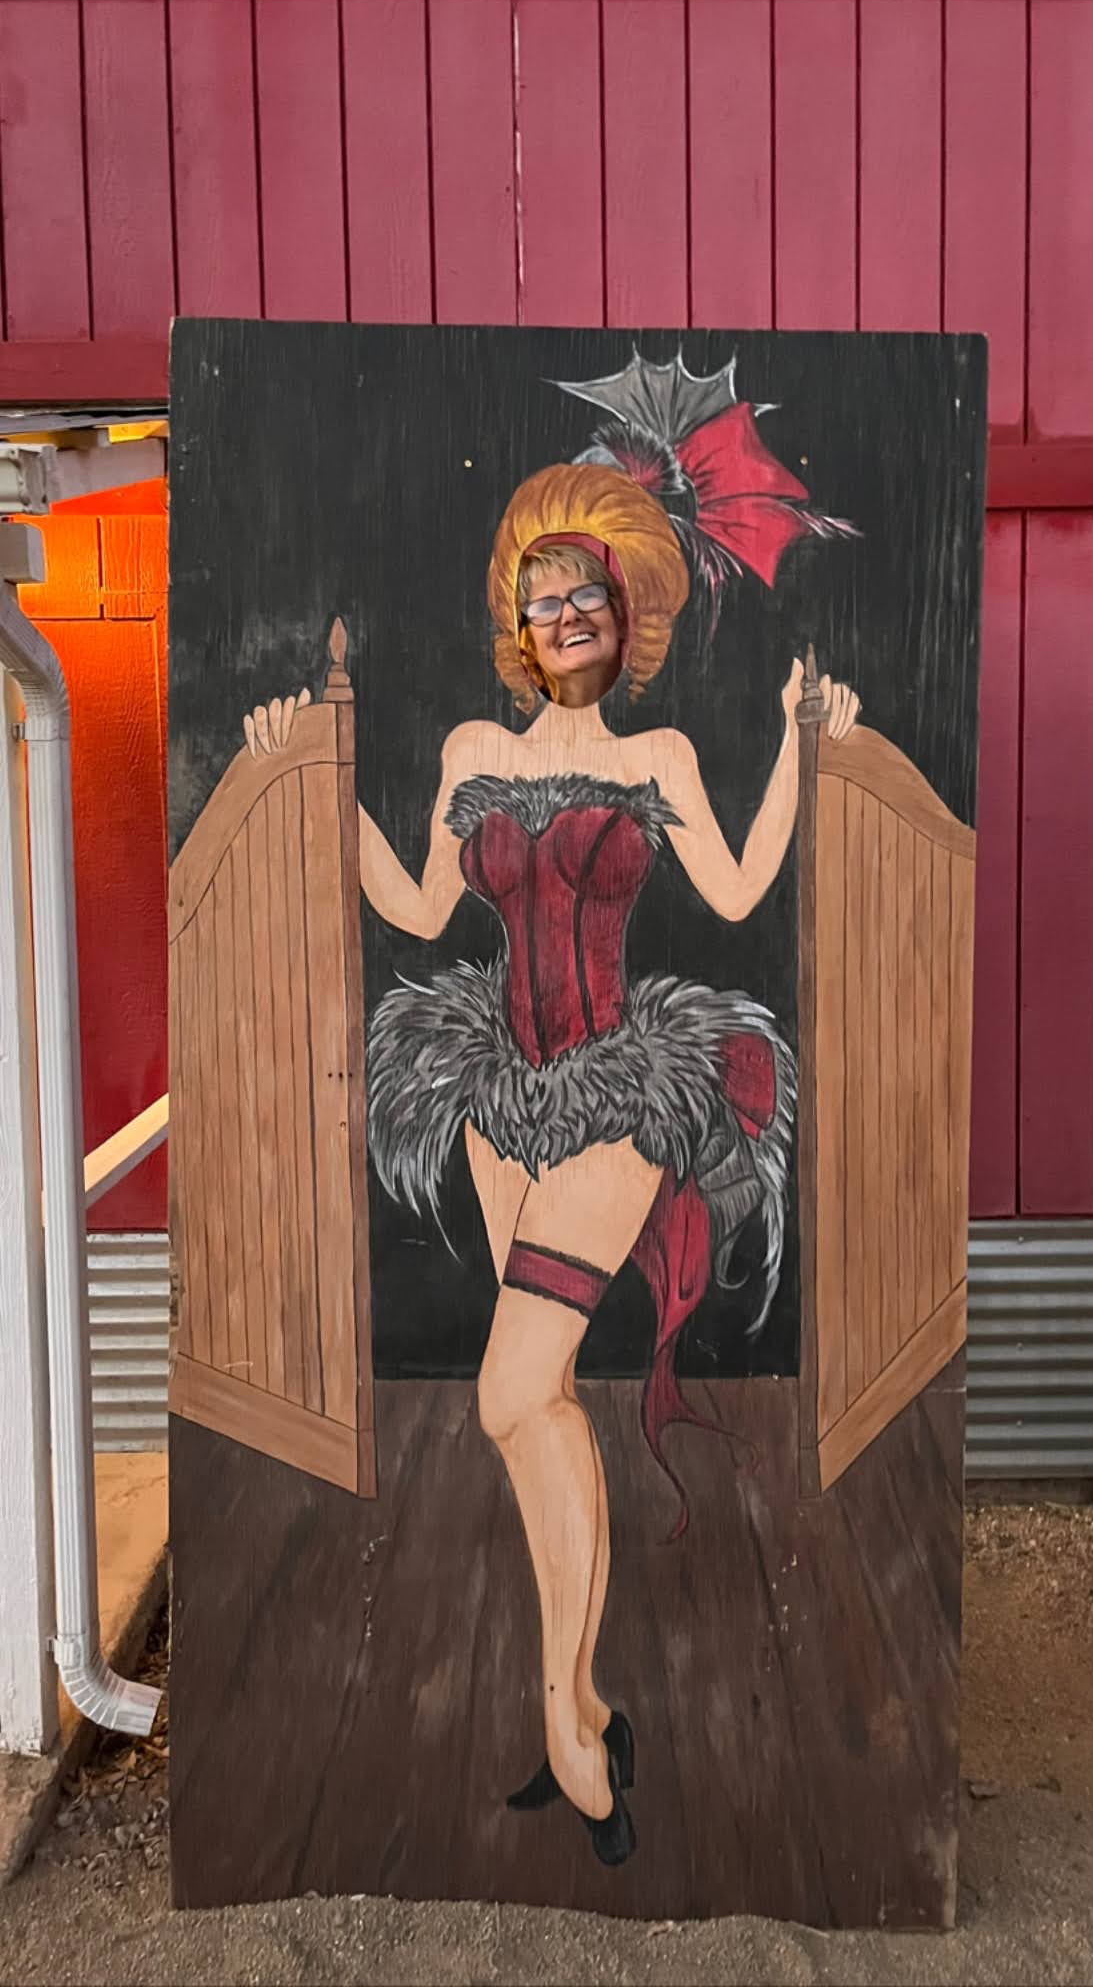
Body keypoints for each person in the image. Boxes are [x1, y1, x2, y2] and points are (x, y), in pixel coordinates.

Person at [244, 462, 859, 1868]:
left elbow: (737, 892)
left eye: (588, 592)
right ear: (516, 626)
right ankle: (578, 1702)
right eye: (543, 598)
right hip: (492, 1091)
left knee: (507, 1390)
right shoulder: (471, 749)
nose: (566, 612)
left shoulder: (659, 760)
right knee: (542, 1410)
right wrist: (313, 771)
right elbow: (416, 906)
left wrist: (798, 743)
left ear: (625, 614)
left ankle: (565, 1728)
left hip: (616, 1092)